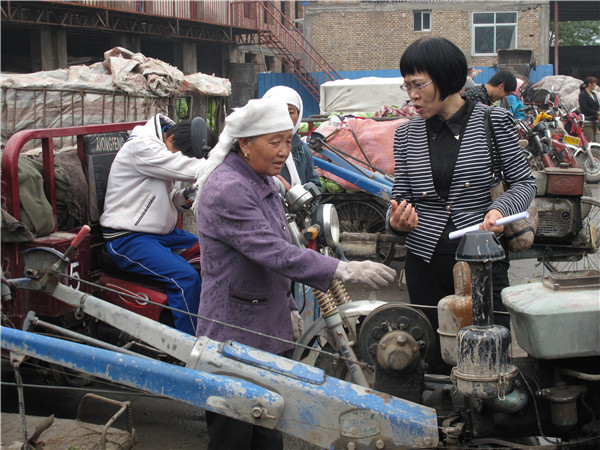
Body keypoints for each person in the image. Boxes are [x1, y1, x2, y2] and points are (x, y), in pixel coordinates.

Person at [193, 98, 395, 450]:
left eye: (288, 141)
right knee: (234, 434)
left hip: (265, 325)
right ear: (245, 143)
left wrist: (287, 305)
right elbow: (274, 252)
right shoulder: (229, 188)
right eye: (275, 142)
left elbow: (283, 242)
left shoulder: (263, 180)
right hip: (235, 333)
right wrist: (344, 268)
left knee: (268, 428)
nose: (284, 151)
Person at [388, 37, 536, 368]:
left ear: (446, 78)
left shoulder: (492, 121)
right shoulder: (407, 134)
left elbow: (524, 183)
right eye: (407, 86)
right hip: (424, 261)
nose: (412, 95)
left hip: (481, 261)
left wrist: (499, 210)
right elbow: (401, 195)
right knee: (432, 354)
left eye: (419, 85)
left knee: (489, 355)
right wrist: (396, 219)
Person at [100, 114, 208, 335]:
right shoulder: (142, 146)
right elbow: (186, 167)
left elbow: (170, 199)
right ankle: (192, 345)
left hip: (162, 234)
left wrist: (187, 196)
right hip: (128, 237)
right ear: (171, 139)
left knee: (209, 251)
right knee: (185, 278)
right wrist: (228, 164)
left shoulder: (164, 148)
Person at [262, 85, 322, 191]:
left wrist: (304, 195)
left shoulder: (302, 149)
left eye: (291, 112)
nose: (286, 116)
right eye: (279, 111)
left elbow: (315, 184)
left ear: (298, 115)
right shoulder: (259, 147)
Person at [578, 76, 599, 143]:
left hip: (595, 121)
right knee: (590, 140)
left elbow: (596, 105)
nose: (595, 85)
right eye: (594, 83)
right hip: (587, 121)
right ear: (590, 84)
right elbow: (584, 108)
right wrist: (596, 112)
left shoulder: (594, 94)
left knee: (594, 140)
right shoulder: (583, 94)